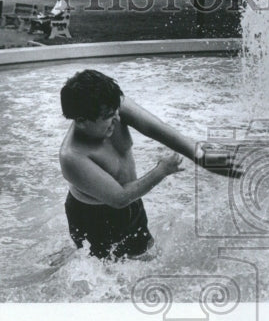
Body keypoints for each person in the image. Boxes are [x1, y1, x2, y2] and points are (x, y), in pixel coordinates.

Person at [59, 69, 240, 261]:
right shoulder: (72, 156)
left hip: (132, 201)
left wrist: (202, 157)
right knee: (106, 279)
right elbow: (119, 198)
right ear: (81, 121)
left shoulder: (111, 106)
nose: (117, 119)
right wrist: (161, 170)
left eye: (116, 112)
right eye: (109, 117)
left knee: (149, 260)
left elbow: (159, 129)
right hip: (94, 219)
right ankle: (66, 257)